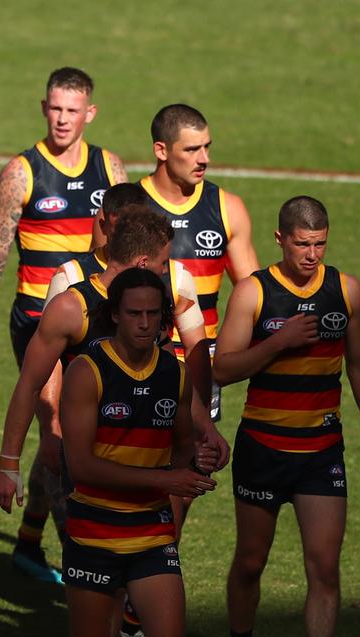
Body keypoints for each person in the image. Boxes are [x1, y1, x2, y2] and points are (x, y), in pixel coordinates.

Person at [213, 196, 360, 637]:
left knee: (325, 568)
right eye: (302, 244)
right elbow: (222, 369)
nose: (312, 254)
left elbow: (359, 364)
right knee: (250, 562)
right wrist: (279, 343)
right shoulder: (253, 293)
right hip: (263, 448)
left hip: (321, 451)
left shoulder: (345, 290)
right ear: (280, 239)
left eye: (319, 244)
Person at [0, 67, 127, 583]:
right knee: (54, 430)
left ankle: (29, 543)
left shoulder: (110, 168)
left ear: (89, 113)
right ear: (43, 107)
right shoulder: (21, 173)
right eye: (55, 108)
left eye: (73, 110)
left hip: (97, 319)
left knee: (90, 431)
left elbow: (128, 236)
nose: (63, 119)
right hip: (37, 322)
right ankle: (82, 559)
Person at [59, 268, 216, 637]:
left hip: (152, 536)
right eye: (134, 314)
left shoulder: (176, 373)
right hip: (94, 538)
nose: (145, 323)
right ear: (115, 315)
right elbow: (82, 466)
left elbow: (184, 445)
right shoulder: (87, 372)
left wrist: (197, 464)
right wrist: (165, 481)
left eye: (153, 313)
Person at [137, 104, 259, 421]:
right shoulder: (131, 208)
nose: (204, 158)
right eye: (192, 149)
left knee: (197, 462)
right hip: (137, 360)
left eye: (206, 147)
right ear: (161, 150)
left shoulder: (227, 208)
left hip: (199, 362)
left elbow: (255, 296)